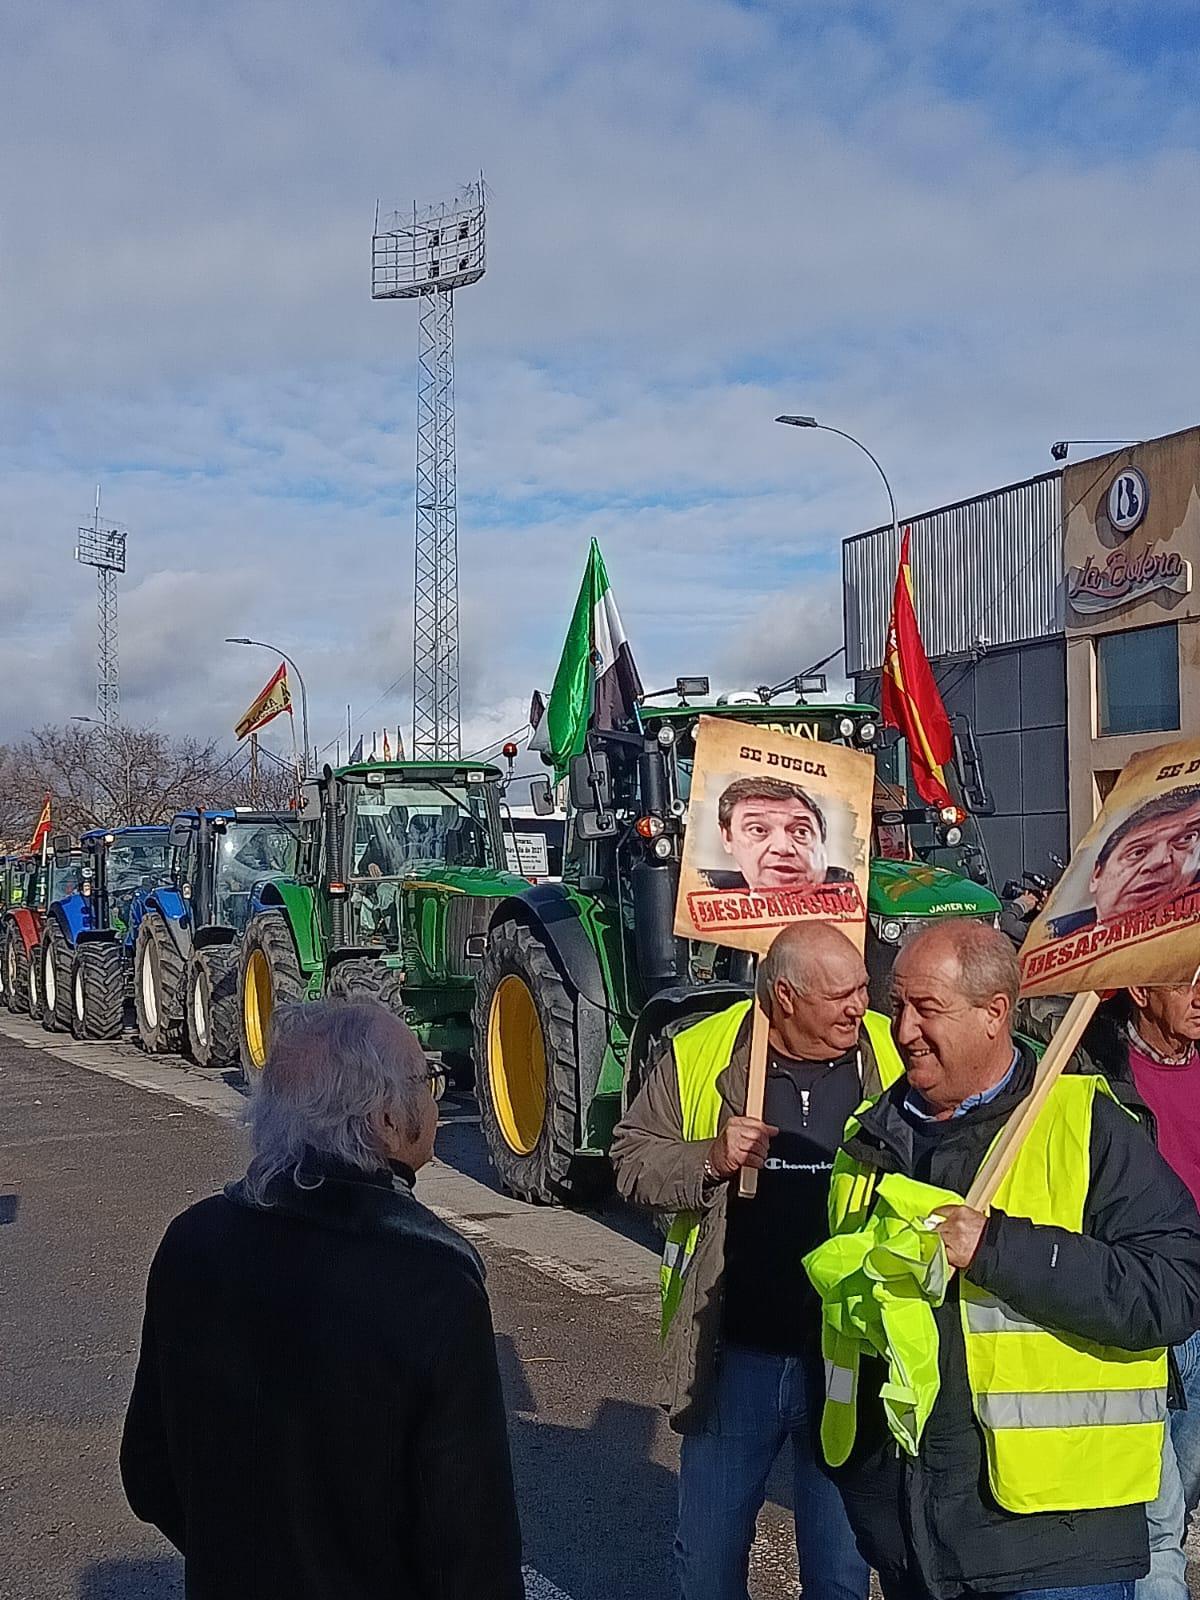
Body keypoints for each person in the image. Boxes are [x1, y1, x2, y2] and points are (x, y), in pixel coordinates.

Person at [811, 921, 1200, 1600]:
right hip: (914, 1541)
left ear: (995, 1014)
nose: (902, 1030)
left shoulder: (1086, 1124)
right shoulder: (868, 1141)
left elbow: (1173, 1287)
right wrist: (867, 1494)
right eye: (897, 1005)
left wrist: (997, 1248)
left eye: (927, 1009)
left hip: (1058, 1547)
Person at [120, 999, 524, 1600]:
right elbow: (469, 1551)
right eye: (426, 1079)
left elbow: (149, 1476)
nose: (436, 1098)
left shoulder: (193, 1241)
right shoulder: (432, 1282)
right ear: (384, 1117)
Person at [610, 922, 905, 1600]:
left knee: (839, 1576)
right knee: (708, 1569)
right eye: (840, 994)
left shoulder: (890, 1055)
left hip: (846, 1364)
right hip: (733, 1362)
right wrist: (708, 1158)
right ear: (785, 996)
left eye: (863, 987)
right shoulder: (700, 1055)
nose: (860, 1006)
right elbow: (629, 1161)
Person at [1062, 982, 1200, 1600]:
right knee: (1158, 1514)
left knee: (1183, 1489)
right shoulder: (1093, 1072)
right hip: (1146, 1301)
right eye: (1185, 981)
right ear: (1141, 990)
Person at [1046, 787, 1200, 939]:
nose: (1158, 861)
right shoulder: (1055, 939)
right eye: (1138, 852)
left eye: (1185, 839)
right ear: (1097, 875)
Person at [705, 776, 855, 893]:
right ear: (727, 838)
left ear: (822, 844)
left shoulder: (852, 890)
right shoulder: (704, 887)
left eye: (801, 832)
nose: (782, 847)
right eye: (758, 830)